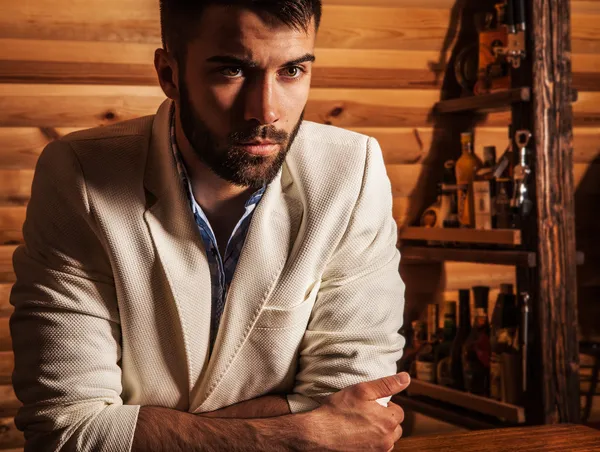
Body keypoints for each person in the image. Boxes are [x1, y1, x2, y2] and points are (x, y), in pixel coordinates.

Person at [9, 0, 409, 450]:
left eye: (292, 71)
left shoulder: (351, 171)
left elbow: (359, 404)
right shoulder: (80, 176)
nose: (266, 112)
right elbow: (67, 430)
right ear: (169, 74)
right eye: (232, 71)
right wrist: (287, 435)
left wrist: (146, 429)